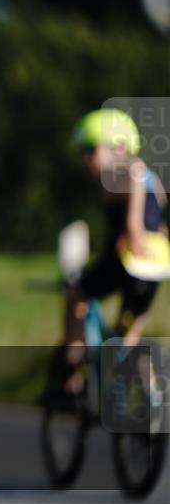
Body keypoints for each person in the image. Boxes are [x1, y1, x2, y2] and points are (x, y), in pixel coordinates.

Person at [59, 109, 168, 398]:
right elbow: (160, 223)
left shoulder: (124, 173)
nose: (85, 158)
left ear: (118, 147)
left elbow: (135, 183)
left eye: (90, 149)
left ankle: (73, 371)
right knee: (126, 340)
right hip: (152, 270)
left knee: (76, 296)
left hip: (126, 262)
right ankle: (154, 405)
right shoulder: (154, 181)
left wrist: (132, 228)